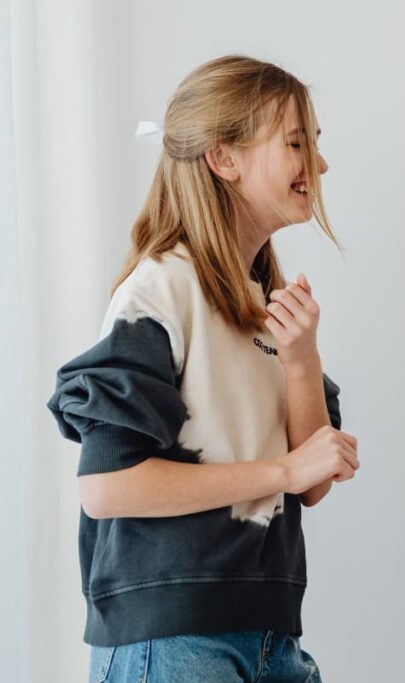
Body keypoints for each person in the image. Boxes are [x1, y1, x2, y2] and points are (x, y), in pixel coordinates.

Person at [46, 55, 359, 682]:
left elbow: (313, 483)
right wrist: (286, 467)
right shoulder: (159, 292)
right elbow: (107, 487)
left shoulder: (260, 298)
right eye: (297, 143)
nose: (319, 166)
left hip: (269, 636)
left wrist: (301, 363)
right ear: (224, 158)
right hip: (173, 642)